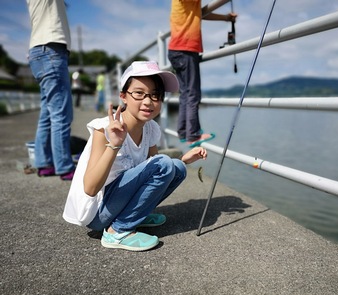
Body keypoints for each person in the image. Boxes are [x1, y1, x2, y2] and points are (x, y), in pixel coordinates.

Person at [63, 61, 207, 252]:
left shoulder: (150, 128)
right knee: (165, 163)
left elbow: (157, 171)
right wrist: (114, 144)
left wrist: (184, 161)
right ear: (123, 96)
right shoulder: (104, 128)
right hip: (97, 213)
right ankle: (118, 231)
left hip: (117, 202)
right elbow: (90, 188)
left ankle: (136, 214)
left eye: (155, 95)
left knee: (176, 168)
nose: (148, 101)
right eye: (139, 93)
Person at [168, 0, 237, 148]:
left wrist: (225, 18)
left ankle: (184, 132)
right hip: (185, 50)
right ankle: (192, 135)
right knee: (193, 94)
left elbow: (202, 13)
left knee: (185, 94)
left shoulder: (189, 4)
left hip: (177, 50)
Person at [26, 0, 75, 181]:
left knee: (47, 113)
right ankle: (64, 166)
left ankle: (44, 163)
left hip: (40, 53)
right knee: (61, 114)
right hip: (51, 51)